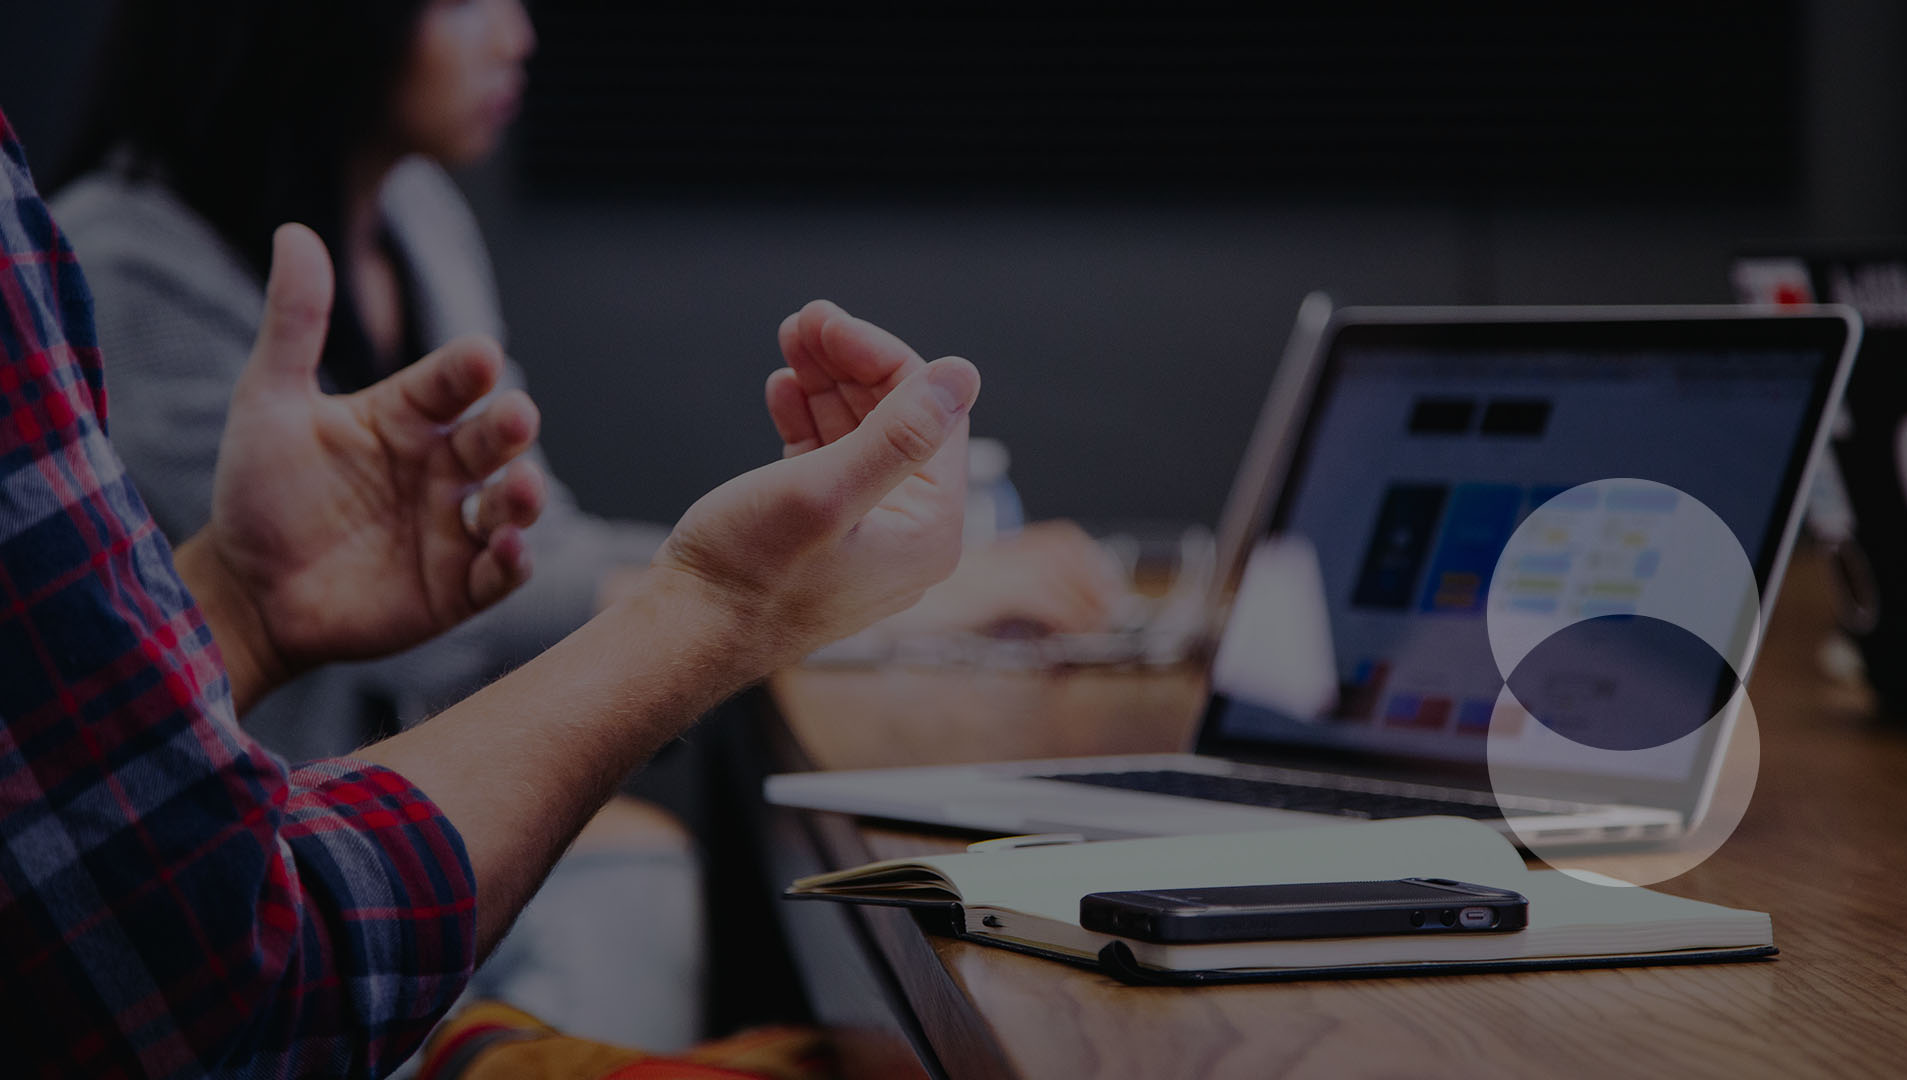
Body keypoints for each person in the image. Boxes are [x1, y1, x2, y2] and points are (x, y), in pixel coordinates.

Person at [51, 0, 1122, 1045]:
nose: (517, 32)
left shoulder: (415, 214)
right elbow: (471, 613)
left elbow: (516, 552)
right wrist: (785, 595)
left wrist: (803, 577)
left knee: (649, 877)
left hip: (369, 829)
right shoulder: (126, 263)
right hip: (249, 893)